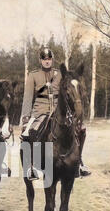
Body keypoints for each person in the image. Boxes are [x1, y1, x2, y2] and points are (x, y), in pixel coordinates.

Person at [20, 46, 91, 180]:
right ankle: (32, 166)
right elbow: (28, 97)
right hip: (40, 111)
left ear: (52, 60)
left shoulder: (60, 74)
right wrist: (25, 115)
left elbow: (68, 91)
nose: (47, 61)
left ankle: (78, 163)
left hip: (59, 110)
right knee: (28, 132)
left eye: (49, 59)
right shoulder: (33, 75)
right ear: (40, 60)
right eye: (44, 59)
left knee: (81, 129)